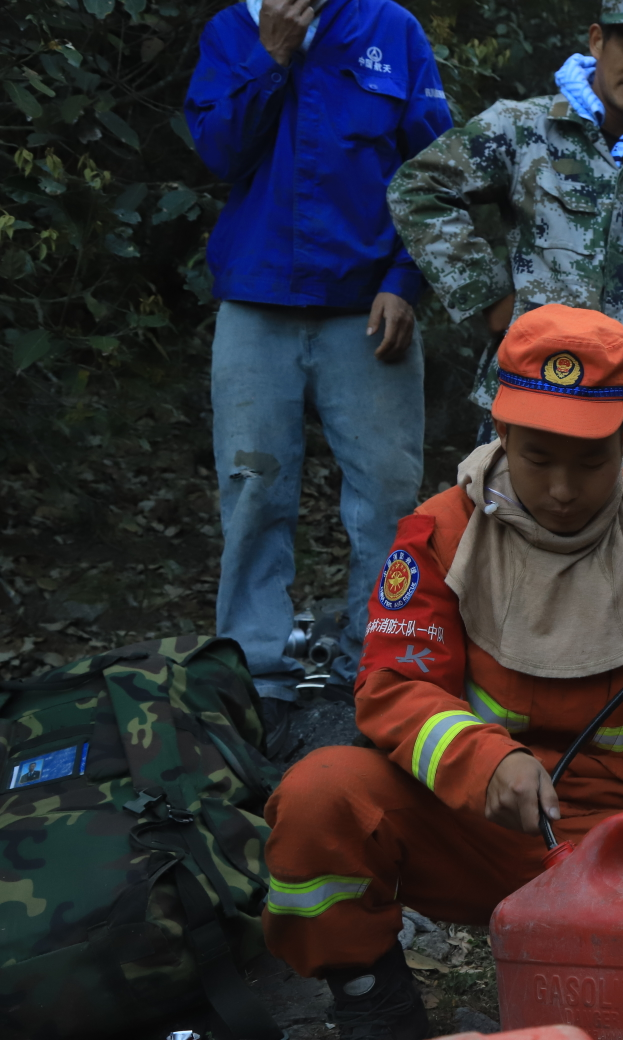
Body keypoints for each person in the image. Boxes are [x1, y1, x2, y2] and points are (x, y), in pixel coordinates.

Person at [262, 305, 623, 1040]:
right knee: (320, 795)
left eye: (591, 461)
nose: (562, 490)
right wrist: (486, 763)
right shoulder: (441, 533)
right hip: (473, 825)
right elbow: (391, 691)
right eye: (538, 458)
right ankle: (370, 999)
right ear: (501, 433)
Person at [184, 0, 453, 743]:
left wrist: (407, 280)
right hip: (256, 303)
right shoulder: (233, 30)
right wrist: (269, 56)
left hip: (369, 307)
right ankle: (258, 672)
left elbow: (437, 170)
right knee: (252, 489)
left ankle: (378, 663)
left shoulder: (389, 29)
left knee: (388, 498)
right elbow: (216, 151)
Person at [386, 0, 623, 505]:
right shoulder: (524, 129)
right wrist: (487, 296)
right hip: (530, 386)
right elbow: (419, 187)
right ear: (597, 41)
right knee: (506, 546)